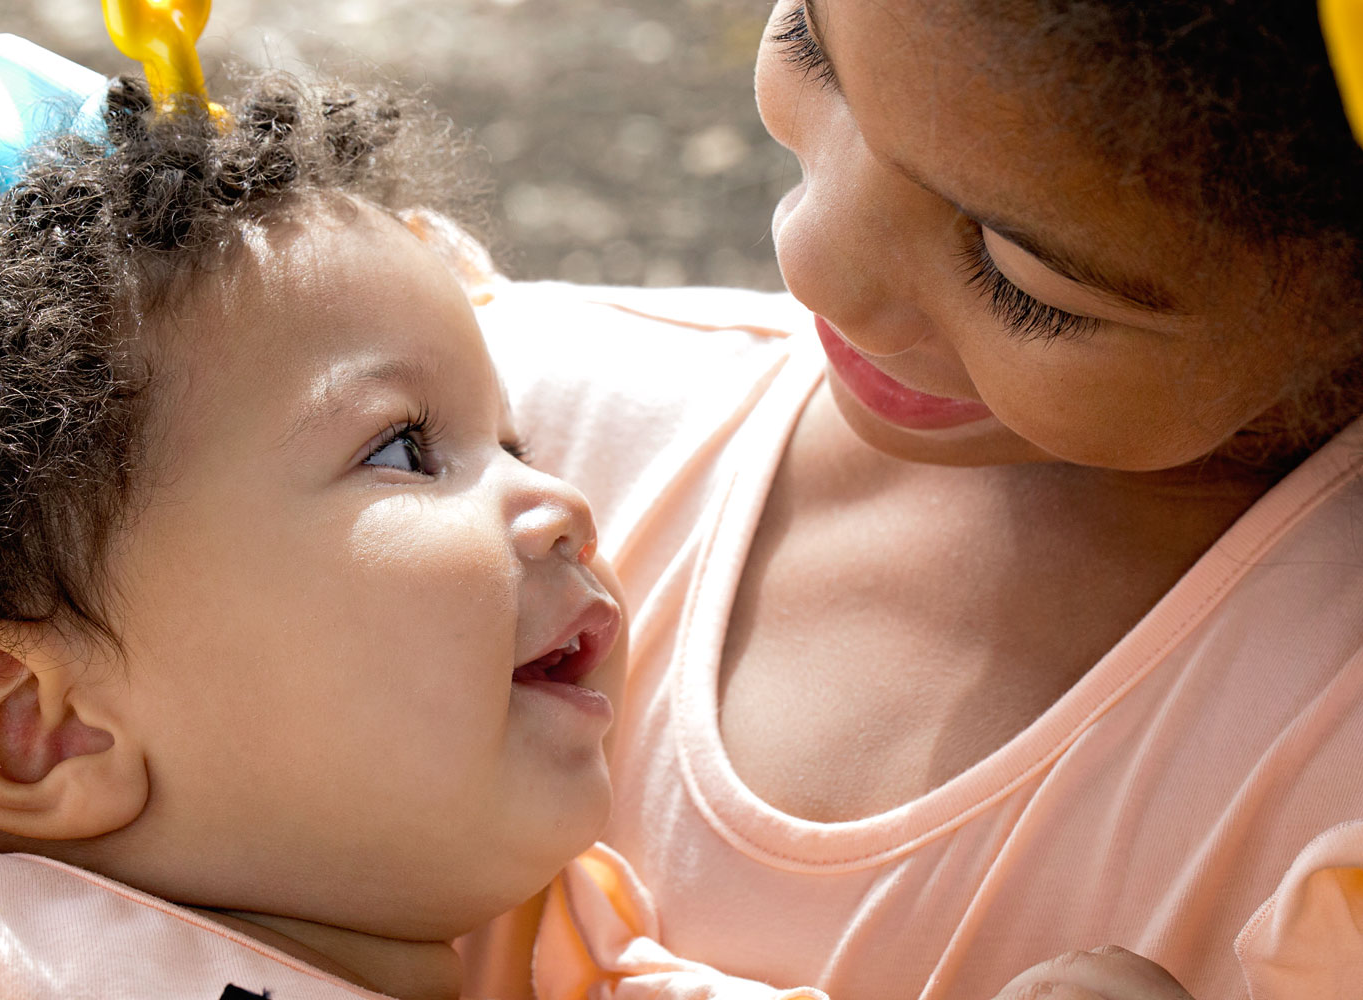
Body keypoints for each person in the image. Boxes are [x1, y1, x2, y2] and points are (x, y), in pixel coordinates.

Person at [464, 2, 1363, 998]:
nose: (810, 257)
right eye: (810, 42)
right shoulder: (472, 428)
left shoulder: (1333, 819)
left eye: (1021, 280)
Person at [0, 33, 632, 999]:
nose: (565, 504)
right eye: (401, 450)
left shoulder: (593, 965)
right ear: (40, 727)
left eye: (516, 449)